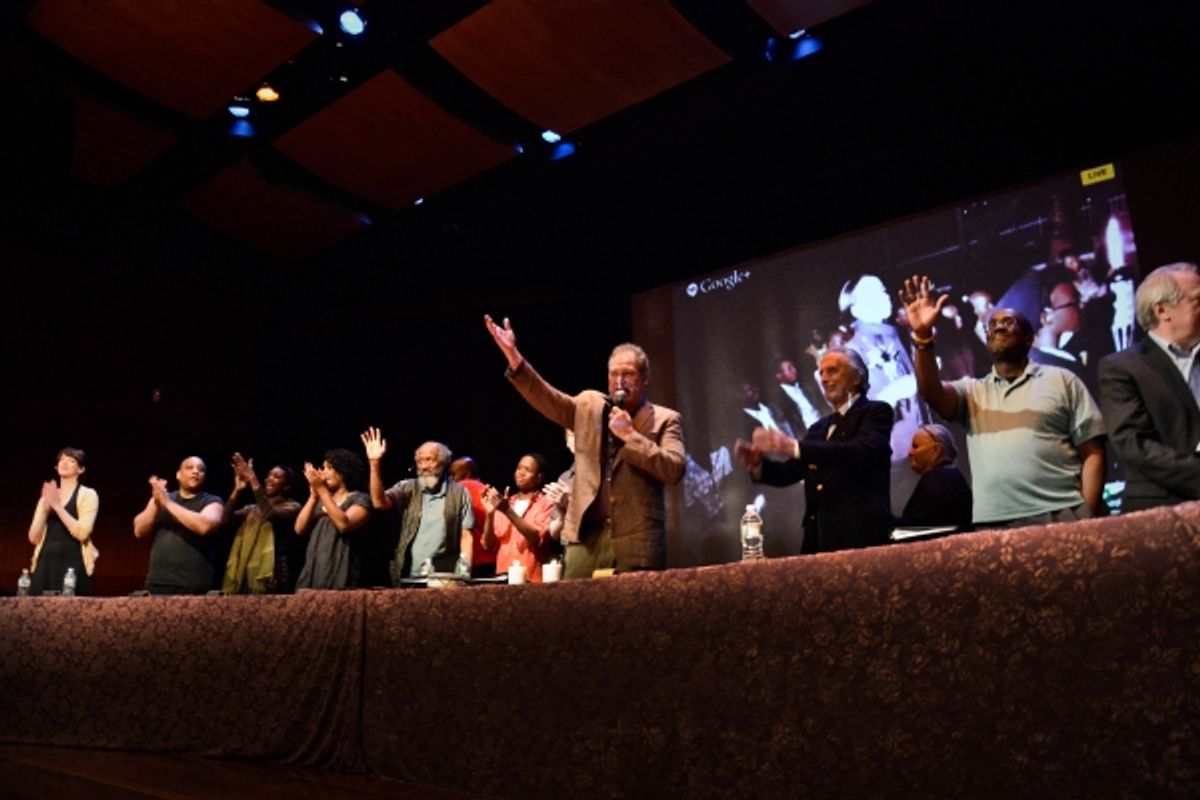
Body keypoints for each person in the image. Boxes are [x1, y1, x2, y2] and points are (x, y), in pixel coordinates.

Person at [484, 315, 685, 578]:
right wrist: (514, 357)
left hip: (637, 541)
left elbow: (674, 470)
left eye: (629, 374)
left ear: (645, 378)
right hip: (585, 538)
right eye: (614, 374)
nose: (620, 381)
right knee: (576, 613)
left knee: (634, 615)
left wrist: (630, 436)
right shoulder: (590, 406)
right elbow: (548, 398)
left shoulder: (665, 419)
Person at [900, 274, 1107, 527]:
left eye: (1009, 322)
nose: (998, 326)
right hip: (995, 525)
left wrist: (1086, 517)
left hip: (1061, 516)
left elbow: (1093, 452)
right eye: (992, 324)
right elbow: (931, 392)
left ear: (1029, 338)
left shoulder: (1062, 380)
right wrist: (922, 337)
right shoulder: (973, 391)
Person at [735, 347, 893, 553]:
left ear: (856, 377)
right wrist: (758, 465)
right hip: (819, 541)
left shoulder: (876, 412)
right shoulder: (819, 428)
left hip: (861, 541)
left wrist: (793, 446)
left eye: (832, 371)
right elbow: (789, 473)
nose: (824, 379)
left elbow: (862, 452)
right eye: (821, 373)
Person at [1098, 262, 1200, 511]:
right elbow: (1134, 444)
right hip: (1163, 509)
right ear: (1163, 310)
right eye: (1197, 299)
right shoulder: (1121, 368)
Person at [361, 430, 474, 581]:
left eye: (429, 460)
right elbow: (379, 503)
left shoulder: (459, 493)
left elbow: (466, 536)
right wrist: (374, 463)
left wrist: (464, 573)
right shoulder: (408, 488)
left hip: (445, 576)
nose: (423, 466)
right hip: (409, 574)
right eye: (420, 461)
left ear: (444, 462)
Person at [133, 456, 224, 595]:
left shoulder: (212, 501)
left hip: (194, 584)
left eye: (201, 470)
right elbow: (139, 531)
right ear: (178, 475)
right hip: (158, 582)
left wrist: (167, 503)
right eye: (189, 468)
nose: (195, 472)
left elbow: (204, 526)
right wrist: (157, 503)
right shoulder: (161, 499)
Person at [221, 453, 302, 594]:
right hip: (245, 574)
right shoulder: (251, 509)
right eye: (269, 475)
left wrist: (253, 479)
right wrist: (237, 489)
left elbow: (270, 514)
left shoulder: (293, 506)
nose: (270, 479)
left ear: (287, 486)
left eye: (277, 477)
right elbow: (224, 520)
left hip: (273, 577)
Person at [294, 449, 371, 590]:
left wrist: (321, 490)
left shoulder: (359, 498)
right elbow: (299, 529)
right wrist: (314, 496)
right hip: (315, 572)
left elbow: (344, 524)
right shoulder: (322, 500)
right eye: (323, 468)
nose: (322, 473)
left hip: (341, 572)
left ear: (343, 472)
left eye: (328, 468)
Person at [28, 447, 99, 596]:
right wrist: (46, 509)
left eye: (71, 461)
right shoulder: (47, 497)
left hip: (73, 567)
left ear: (81, 469)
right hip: (45, 565)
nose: (64, 463)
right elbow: (34, 538)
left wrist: (58, 507)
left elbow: (83, 533)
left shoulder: (88, 495)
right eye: (61, 460)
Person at [480, 453, 558, 582]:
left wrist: (508, 511)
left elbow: (536, 538)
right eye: (519, 468)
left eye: (527, 470)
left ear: (539, 477)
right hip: (504, 576)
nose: (520, 473)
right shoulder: (506, 503)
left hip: (531, 577)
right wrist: (490, 515)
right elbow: (488, 545)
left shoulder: (546, 503)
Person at [895, 424, 973, 529]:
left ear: (936, 450)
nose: (910, 452)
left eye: (915, 446)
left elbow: (918, 526)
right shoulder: (951, 476)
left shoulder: (937, 479)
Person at [450, 456, 496, 578]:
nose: (450, 478)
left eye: (453, 474)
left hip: (466, 561)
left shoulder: (458, 489)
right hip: (490, 560)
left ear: (468, 473)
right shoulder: (488, 491)